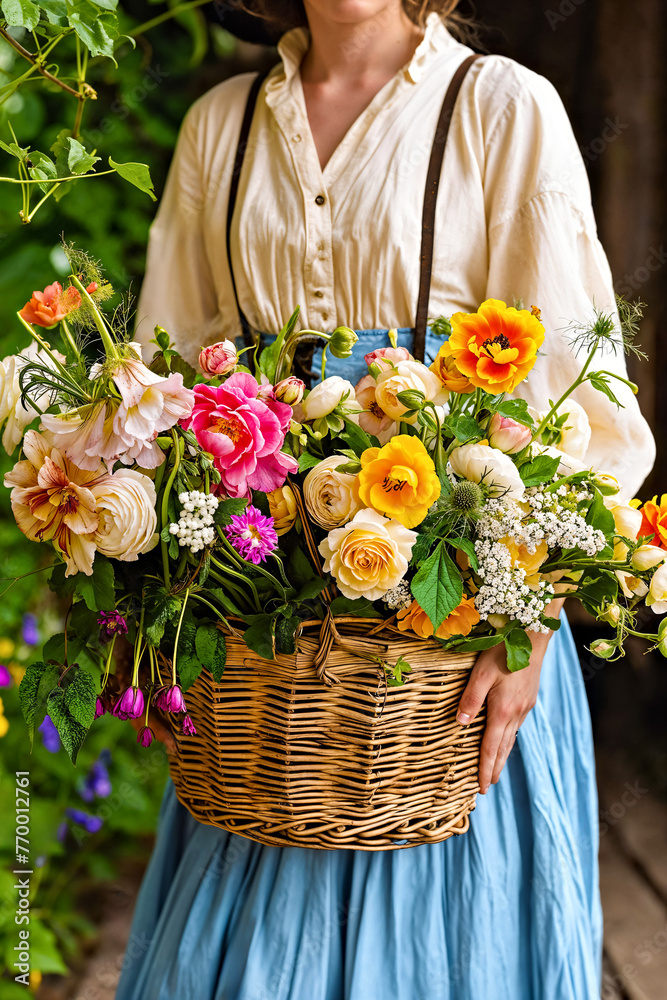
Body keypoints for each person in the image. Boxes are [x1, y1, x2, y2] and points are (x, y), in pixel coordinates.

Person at [117, 2, 655, 997]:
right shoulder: (222, 126)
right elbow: (165, 388)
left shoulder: (501, 111)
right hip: (268, 668)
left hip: (457, 659)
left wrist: (529, 619)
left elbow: (587, 414)